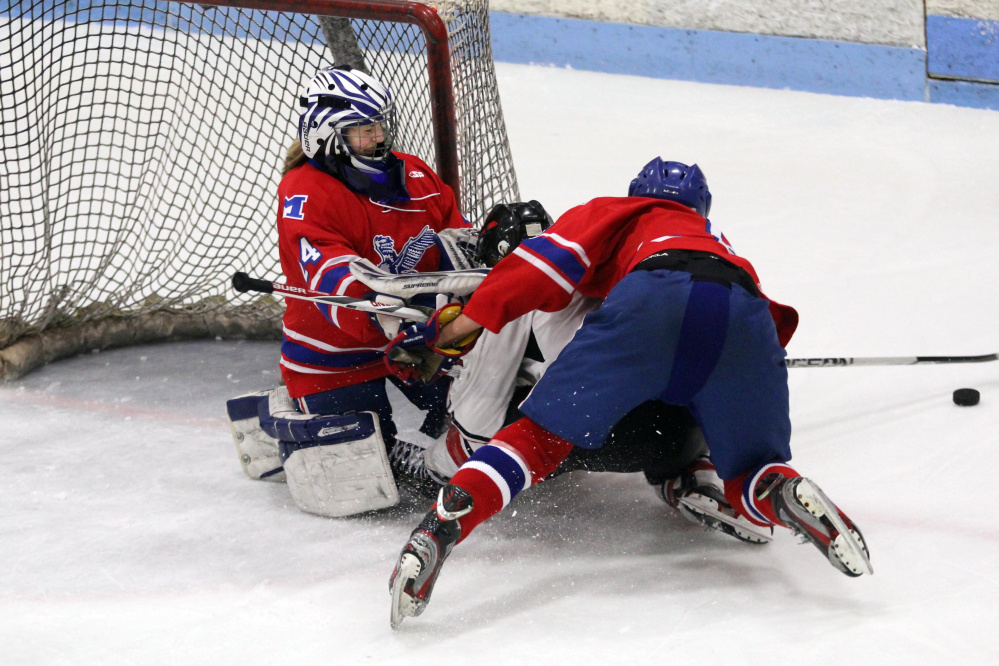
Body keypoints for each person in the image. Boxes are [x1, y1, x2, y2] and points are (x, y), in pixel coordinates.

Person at [386, 158, 873, 627]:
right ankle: (778, 490)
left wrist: (446, 333)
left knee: (537, 439)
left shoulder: (615, 213)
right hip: (741, 317)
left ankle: (443, 525)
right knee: (749, 463)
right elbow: (764, 333)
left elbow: (533, 273)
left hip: (638, 328)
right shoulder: (718, 242)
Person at [226, 65, 477, 518]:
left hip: (419, 337)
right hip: (334, 348)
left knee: (477, 411)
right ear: (325, 135)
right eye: (363, 130)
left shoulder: (415, 174)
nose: (378, 137)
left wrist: (489, 248)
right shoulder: (304, 188)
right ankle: (275, 413)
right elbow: (326, 267)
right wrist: (382, 315)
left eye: (380, 125)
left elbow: (456, 239)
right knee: (360, 474)